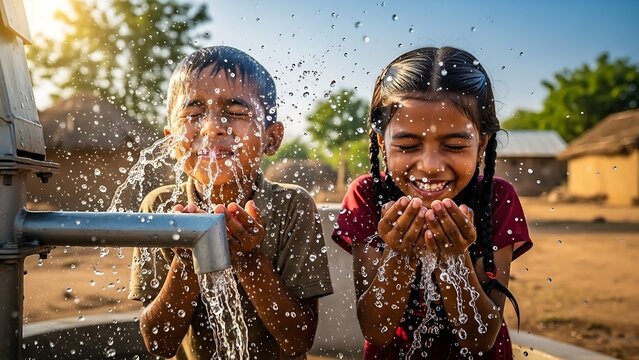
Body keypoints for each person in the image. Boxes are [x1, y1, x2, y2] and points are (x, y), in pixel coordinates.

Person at [128, 45, 333, 360]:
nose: (212, 128)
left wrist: (249, 260)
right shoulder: (161, 208)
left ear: (272, 138)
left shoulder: (292, 205)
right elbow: (159, 343)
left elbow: (298, 340)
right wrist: (187, 261)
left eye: (237, 113)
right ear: (171, 138)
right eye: (194, 114)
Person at [332, 46, 533, 359]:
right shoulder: (368, 196)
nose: (430, 166)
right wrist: (399, 253)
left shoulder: (496, 199)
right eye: (408, 145)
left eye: (454, 146)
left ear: (482, 143)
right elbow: (376, 329)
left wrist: (454, 257)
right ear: (382, 143)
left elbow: (480, 339)